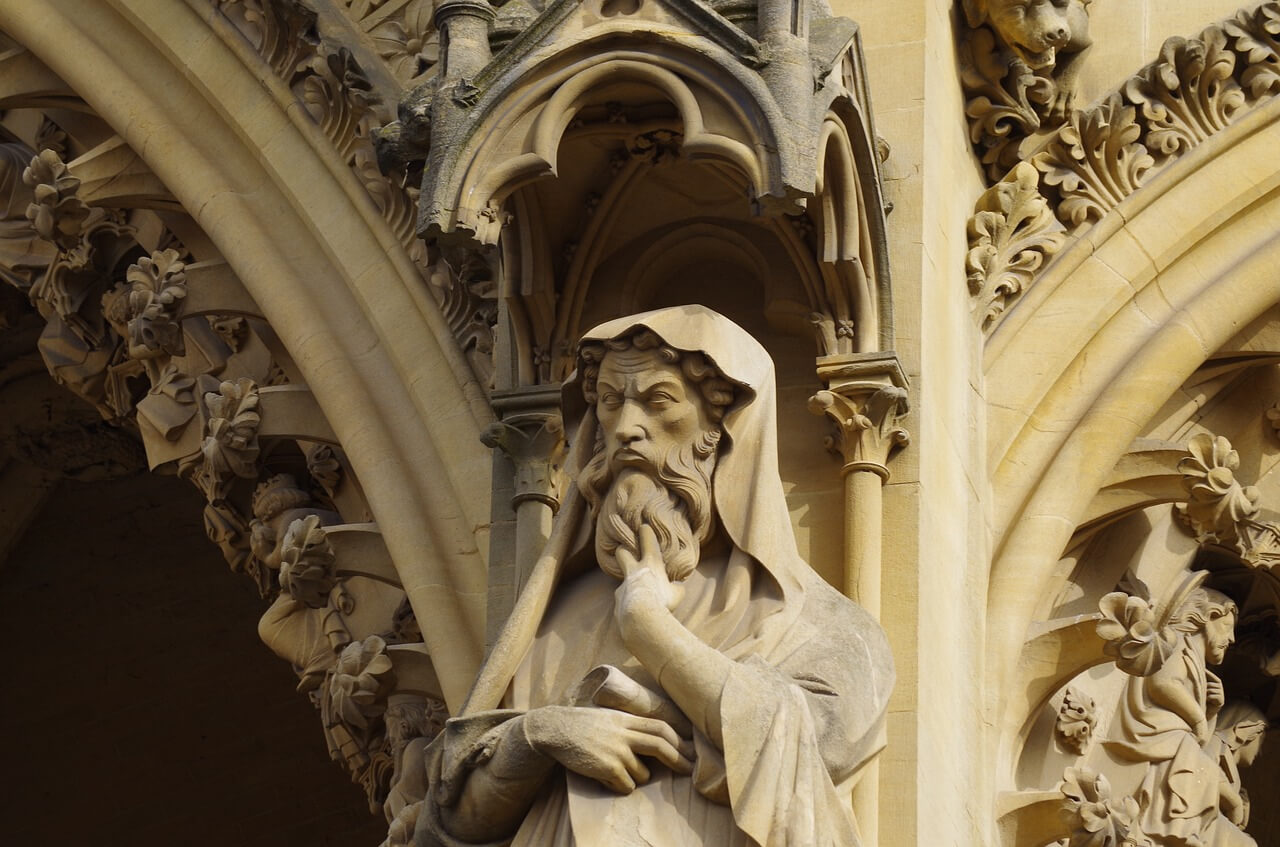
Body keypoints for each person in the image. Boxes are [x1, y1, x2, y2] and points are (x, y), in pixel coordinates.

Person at [414, 305, 894, 846]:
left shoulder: (821, 624)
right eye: (611, 403)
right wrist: (539, 733)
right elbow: (450, 823)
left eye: (658, 401)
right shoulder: (551, 619)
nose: (624, 428)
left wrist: (648, 627)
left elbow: (819, 750)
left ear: (723, 428)